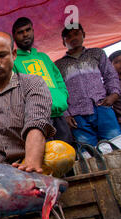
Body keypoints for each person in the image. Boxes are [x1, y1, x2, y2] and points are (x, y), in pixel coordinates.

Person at [0, 32, 55, 173]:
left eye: (2, 55)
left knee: (62, 152)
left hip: (31, 161)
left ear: (13, 54)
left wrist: (30, 164)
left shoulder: (33, 83)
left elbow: (36, 124)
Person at [55, 24, 121, 146]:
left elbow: (110, 75)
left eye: (76, 33)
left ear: (83, 35)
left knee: (116, 145)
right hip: (77, 115)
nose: (73, 38)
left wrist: (114, 94)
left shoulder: (97, 53)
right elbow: (59, 91)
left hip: (102, 106)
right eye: (68, 37)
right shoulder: (58, 65)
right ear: (64, 42)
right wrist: (66, 114)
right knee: (88, 153)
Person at [12, 17, 73, 145]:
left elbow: (58, 79)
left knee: (69, 156)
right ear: (14, 37)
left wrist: (62, 97)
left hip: (58, 114)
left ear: (33, 31)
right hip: (37, 119)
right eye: (20, 32)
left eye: (28, 30)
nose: (25, 34)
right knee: (47, 159)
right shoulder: (13, 62)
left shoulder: (43, 57)